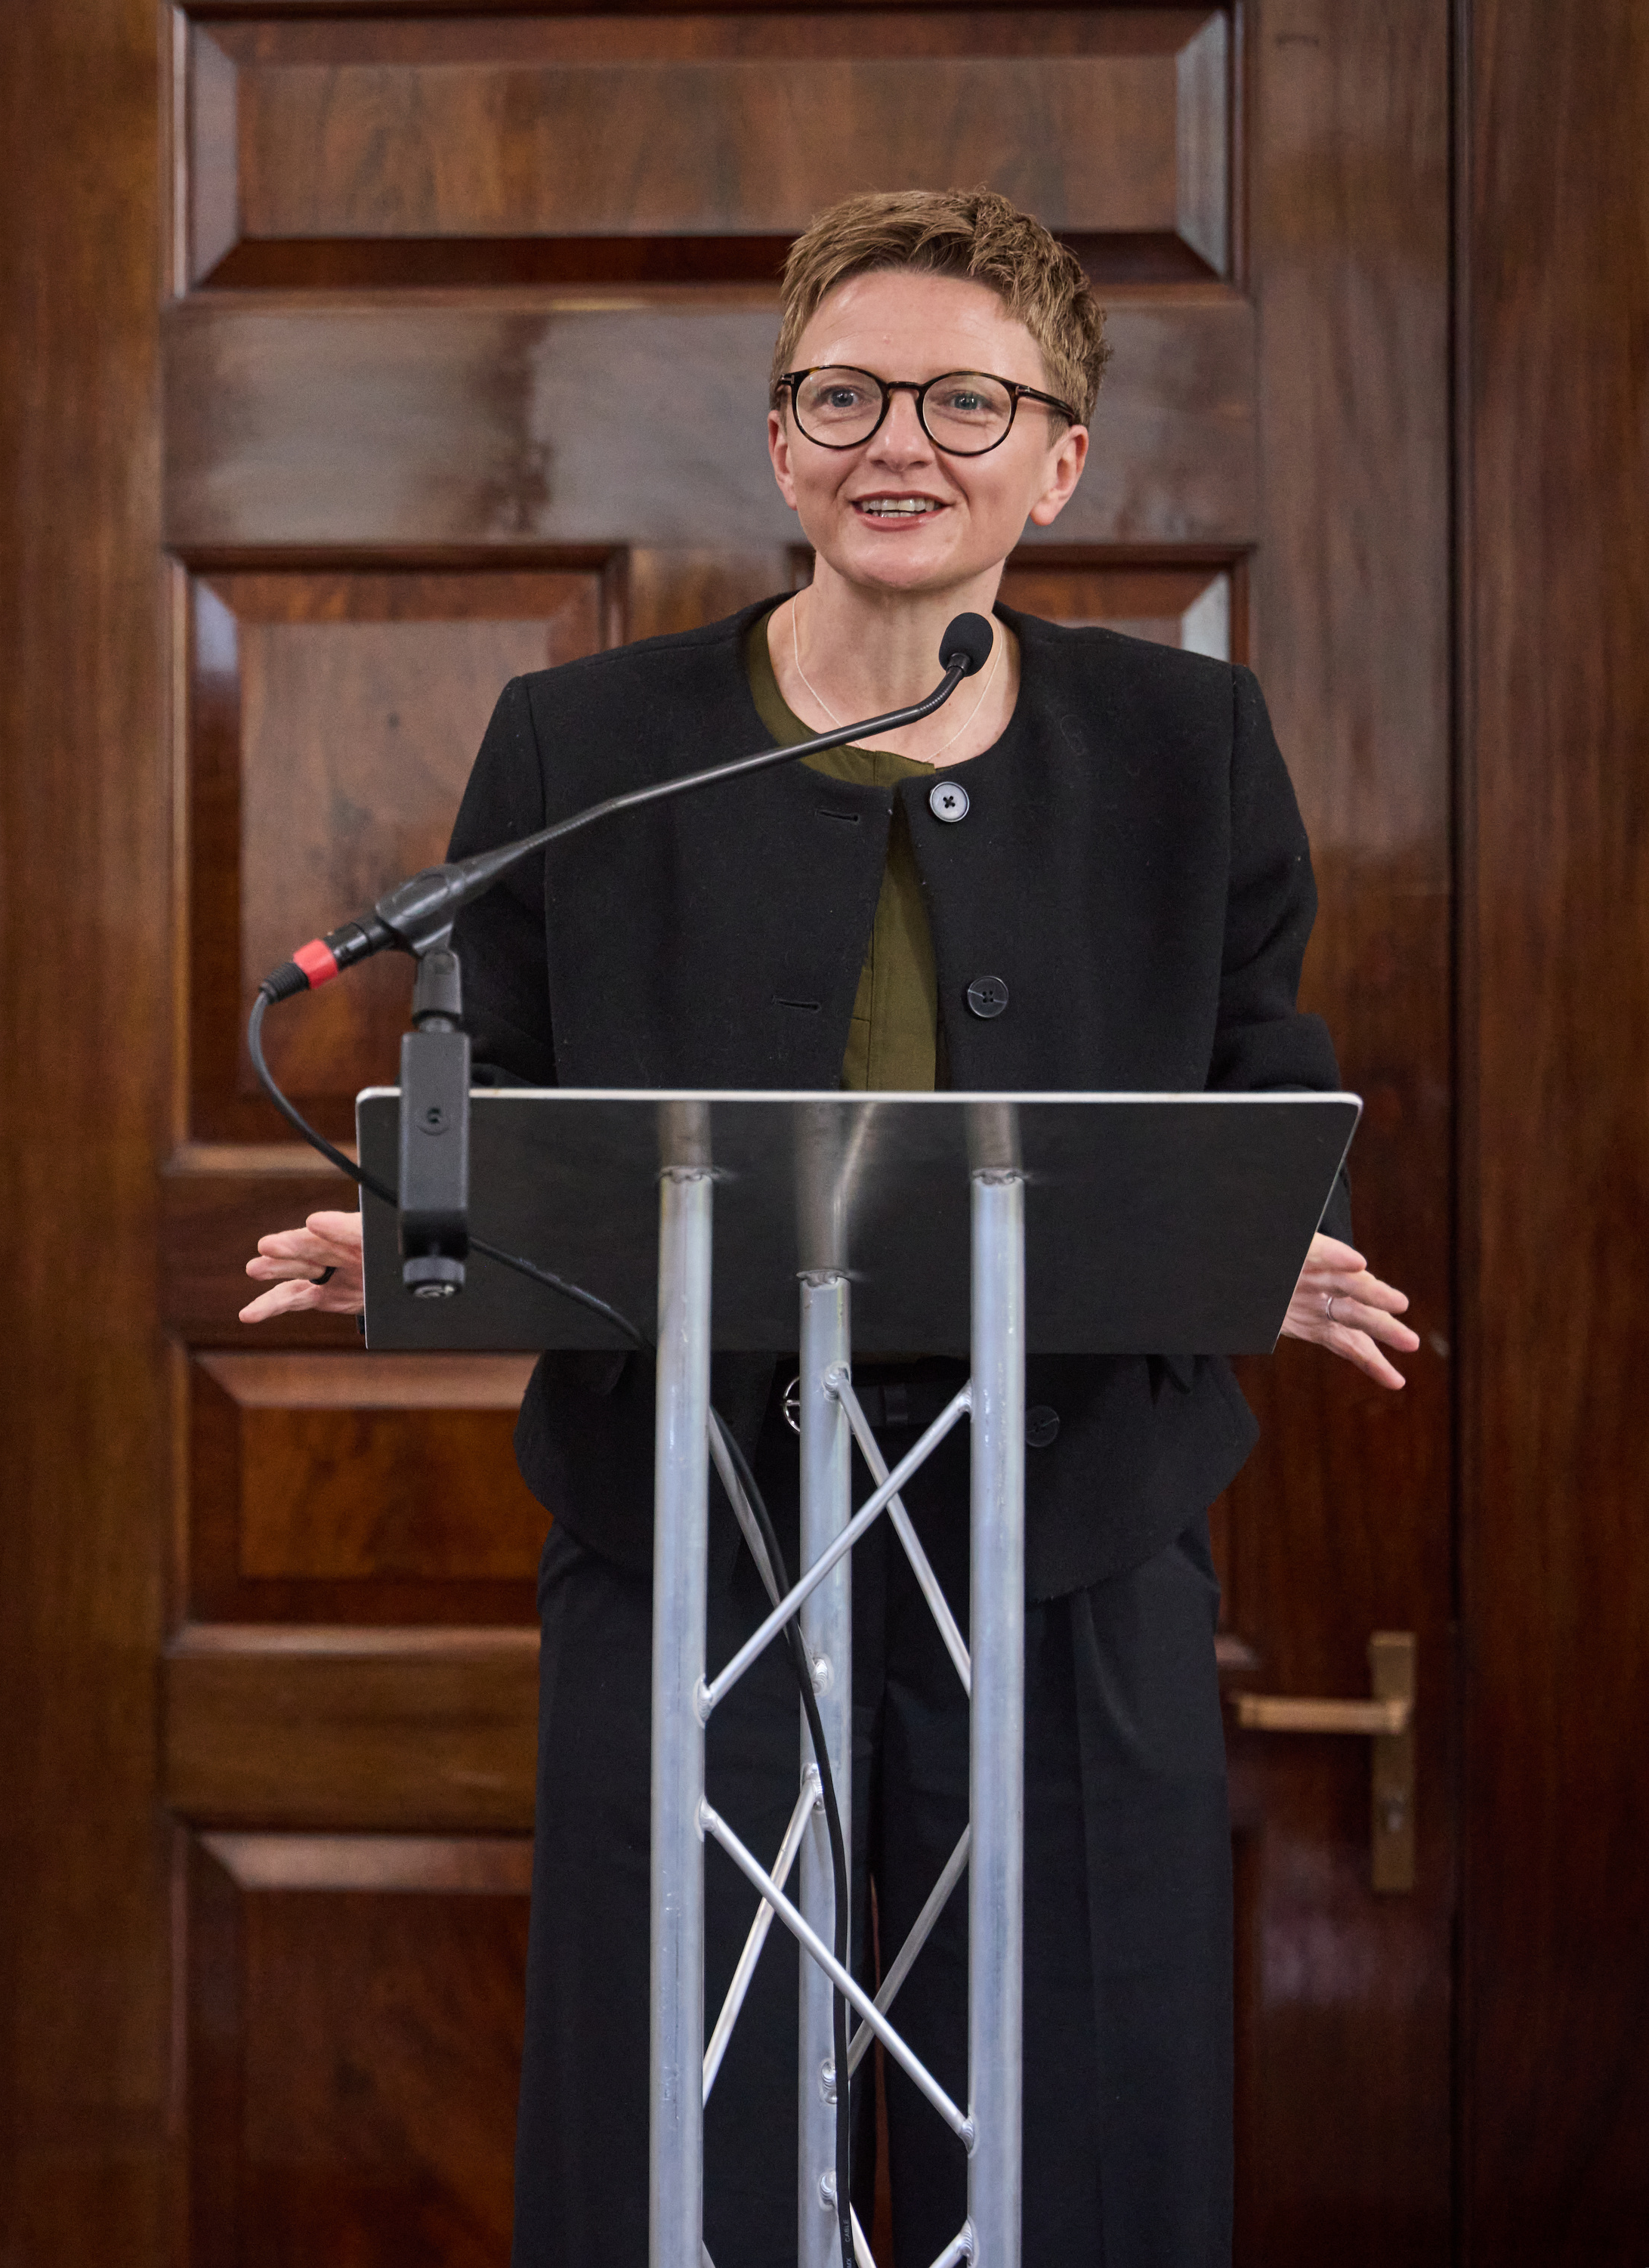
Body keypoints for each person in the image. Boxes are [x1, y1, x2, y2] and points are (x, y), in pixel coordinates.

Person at [236, 188, 1421, 2268]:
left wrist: (1262, 1229)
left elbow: (1259, 1056)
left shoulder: (1185, 744)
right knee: (678, 2131)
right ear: (781, 441)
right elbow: (498, 1085)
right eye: (847, 395)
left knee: (1077, 2124)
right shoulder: (586, 745)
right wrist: (417, 1216)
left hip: (1068, 1531)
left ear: (1059, 460)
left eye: (968, 403)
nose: (902, 444)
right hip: (691, 1533)